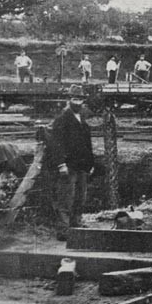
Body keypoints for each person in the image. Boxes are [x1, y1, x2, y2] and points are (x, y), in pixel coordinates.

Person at [45, 97, 95, 240]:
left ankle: (76, 224)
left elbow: (87, 144)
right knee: (66, 198)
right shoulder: (62, 120)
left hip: (82, 165)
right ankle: (64, 229)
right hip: (69, 165)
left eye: (80, 99)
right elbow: (56, 144)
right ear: (69, 100)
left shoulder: (82, 120)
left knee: (80, 197)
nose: (78, 102)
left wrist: (91, 164)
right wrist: (61, 164)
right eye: (75, 99)